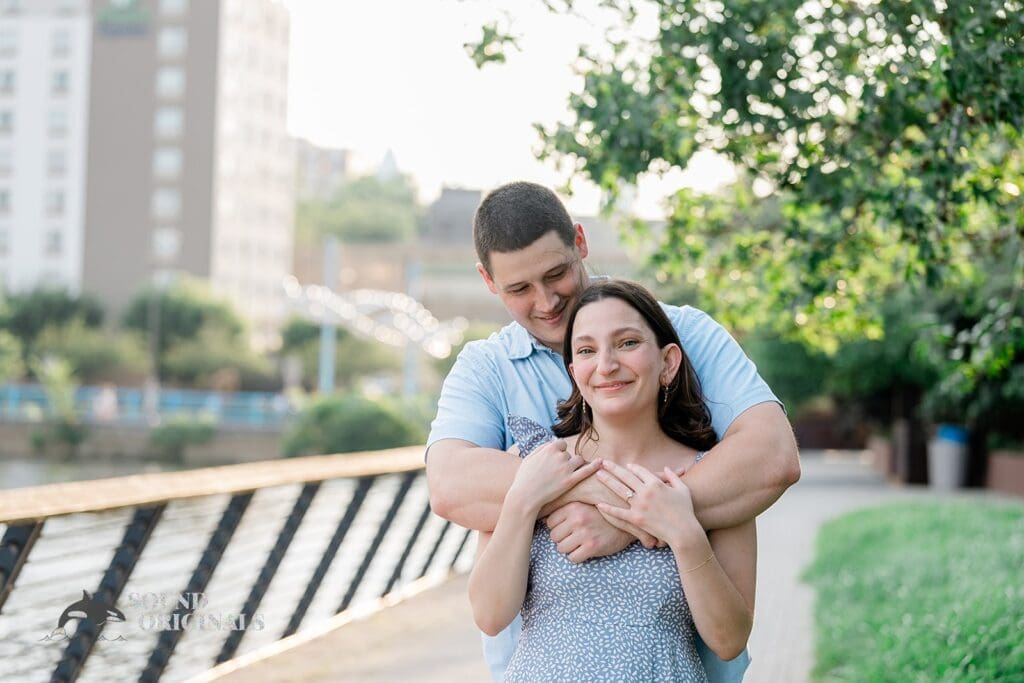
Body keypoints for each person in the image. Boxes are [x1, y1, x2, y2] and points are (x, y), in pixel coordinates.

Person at [426, 181, 799, 682]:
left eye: (556, 273)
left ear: (580, 241)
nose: (547, 301)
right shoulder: (489, 374)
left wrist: (629, 517)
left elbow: (772, 456)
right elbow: (451, 486)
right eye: (519, 289)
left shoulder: (686, 333)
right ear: (489, 282)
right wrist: (576, 490)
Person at [469, 279, 757, 681]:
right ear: (575, 372)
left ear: (668, 362)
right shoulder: (537, 463)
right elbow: (490, 616)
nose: (606, 365)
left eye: (627, 343)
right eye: (587, 350)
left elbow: (730, 641)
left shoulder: (711, 475)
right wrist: (522, 501)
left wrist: (684, 534)